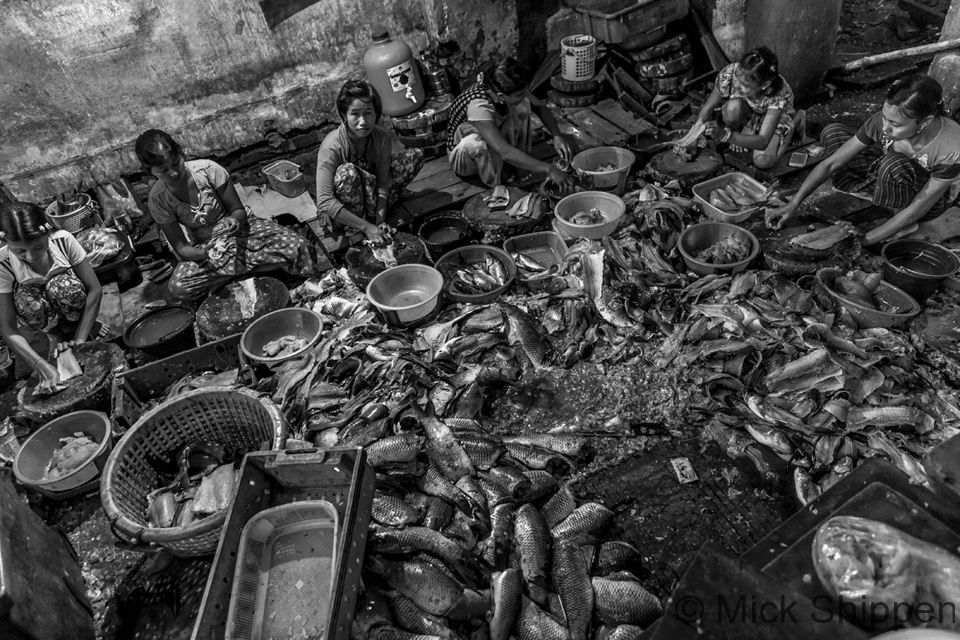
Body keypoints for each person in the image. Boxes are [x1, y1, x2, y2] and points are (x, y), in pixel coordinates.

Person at [766, 75, 960, 245]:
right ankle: (878, 197)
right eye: (885, 117)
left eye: (894, 124)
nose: (885, 127)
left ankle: (901, 224)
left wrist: (866, 239)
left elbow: (918, 209)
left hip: (928, 202)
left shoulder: (950, 147)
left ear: (925, 121)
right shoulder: (883, 124)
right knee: (834, 133)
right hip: (889, 175)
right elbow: (831, 163)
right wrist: (794, 204)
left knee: (893, 164)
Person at [137, 129, 324, 302]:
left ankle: (231, 276)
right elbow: (182, 248)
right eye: (163, 171)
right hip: (206, 244)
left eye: (176, 163)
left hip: (242, 231)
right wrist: (207, 253)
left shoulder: (209, 170)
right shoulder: (158, 200)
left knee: (299, 247)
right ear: (150, 172)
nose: (174, 172)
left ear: (181, 154)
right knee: (178, 286)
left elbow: (238, 210)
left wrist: (234, 219)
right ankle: (246, 271)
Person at [0, 201, 104, 392]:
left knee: (60, 287)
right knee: (26, 299)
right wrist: (40, 365)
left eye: (38, 247)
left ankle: (84, 326)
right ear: (6, 244)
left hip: (71, 306)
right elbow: (8, 327)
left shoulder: (63, 240)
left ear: (47, 232)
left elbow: (95, 289)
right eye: (19, 251)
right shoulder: (2, 264)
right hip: (42, 318)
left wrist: (80, 341)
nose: (31, 257)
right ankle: (53, 335)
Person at [315, 80, 425, 246]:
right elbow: (325, 201)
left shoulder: (382, 137)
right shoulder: (331, 147)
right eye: (355, 114)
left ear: (376, 114)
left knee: (414, 156)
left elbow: (383, 183)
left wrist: (380, 222)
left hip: (369, 195)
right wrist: (366, 227)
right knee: (348, 172)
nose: (363, 121)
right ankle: (354, 228)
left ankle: (373, 216)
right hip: (341, 210)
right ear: (344, 116)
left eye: (368, 113)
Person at [446, 57, 577, 189]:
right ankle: (495, 182)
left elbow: (540, 107)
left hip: (493, 136)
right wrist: (550, 170)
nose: (525, 94)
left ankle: (516, 162)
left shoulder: (500, 90)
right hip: (466, 159)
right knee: (477, 143)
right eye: (520, 93)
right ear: (501, 95)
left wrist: (557, 135)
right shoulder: (478, 106)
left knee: (523, 105)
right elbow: (505, 152)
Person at [697, 46, 804, 169]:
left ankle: (797, 119)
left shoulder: (778, 94)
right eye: (737, 80)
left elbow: (763, 141)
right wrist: (693, 137)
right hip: (753, 112)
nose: (737, 86)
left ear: (764, 85)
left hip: (777, 118)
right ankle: (741, 134)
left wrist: (727, 136)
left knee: (763, 161)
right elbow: (708, 107)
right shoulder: (732, 72)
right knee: (732, 107)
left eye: (744, 85)